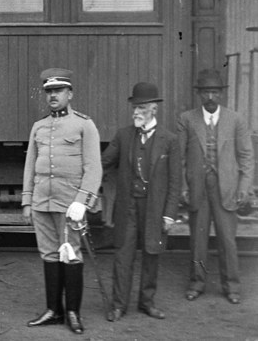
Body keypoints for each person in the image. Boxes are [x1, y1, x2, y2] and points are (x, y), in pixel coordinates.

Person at [22, 68, 101, 335]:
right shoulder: (39, 127)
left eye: (58, 91)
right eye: (49, 92)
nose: (52, 96)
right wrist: (26, 201)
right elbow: (29, 167)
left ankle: (73, 312)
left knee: (71, 255)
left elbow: (94, 168)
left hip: (70, 205)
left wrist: (83, 201)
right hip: (42, 203)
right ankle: (53, 310)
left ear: (70, 93)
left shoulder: (84, 124)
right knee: (48, 255)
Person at [102, 82, 181, 321]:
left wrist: (169, 214)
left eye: (142, 107)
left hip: (155, 209)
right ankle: (118, 305)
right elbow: (103, 162)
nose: (136, 112)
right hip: (127, 207)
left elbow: (175, 182)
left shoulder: (170, 140)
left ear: (154, 110)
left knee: (151, 254)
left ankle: (147, 303)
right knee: (122, 256)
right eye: (134, 107)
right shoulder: (123, 135)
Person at [179, 68, 255, 305]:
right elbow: (179, 158)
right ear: (199, 94)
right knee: (198, 241)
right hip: (198, 188)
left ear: (221, 94)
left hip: (227, 189)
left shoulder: (236, 119)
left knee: (227, 240)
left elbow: (246, 156)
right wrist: (184, 186)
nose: (210, 97)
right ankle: (197, 282)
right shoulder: (187, 119)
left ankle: (231, 286)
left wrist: (244, 187)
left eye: (214, 92)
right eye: (205, 92)